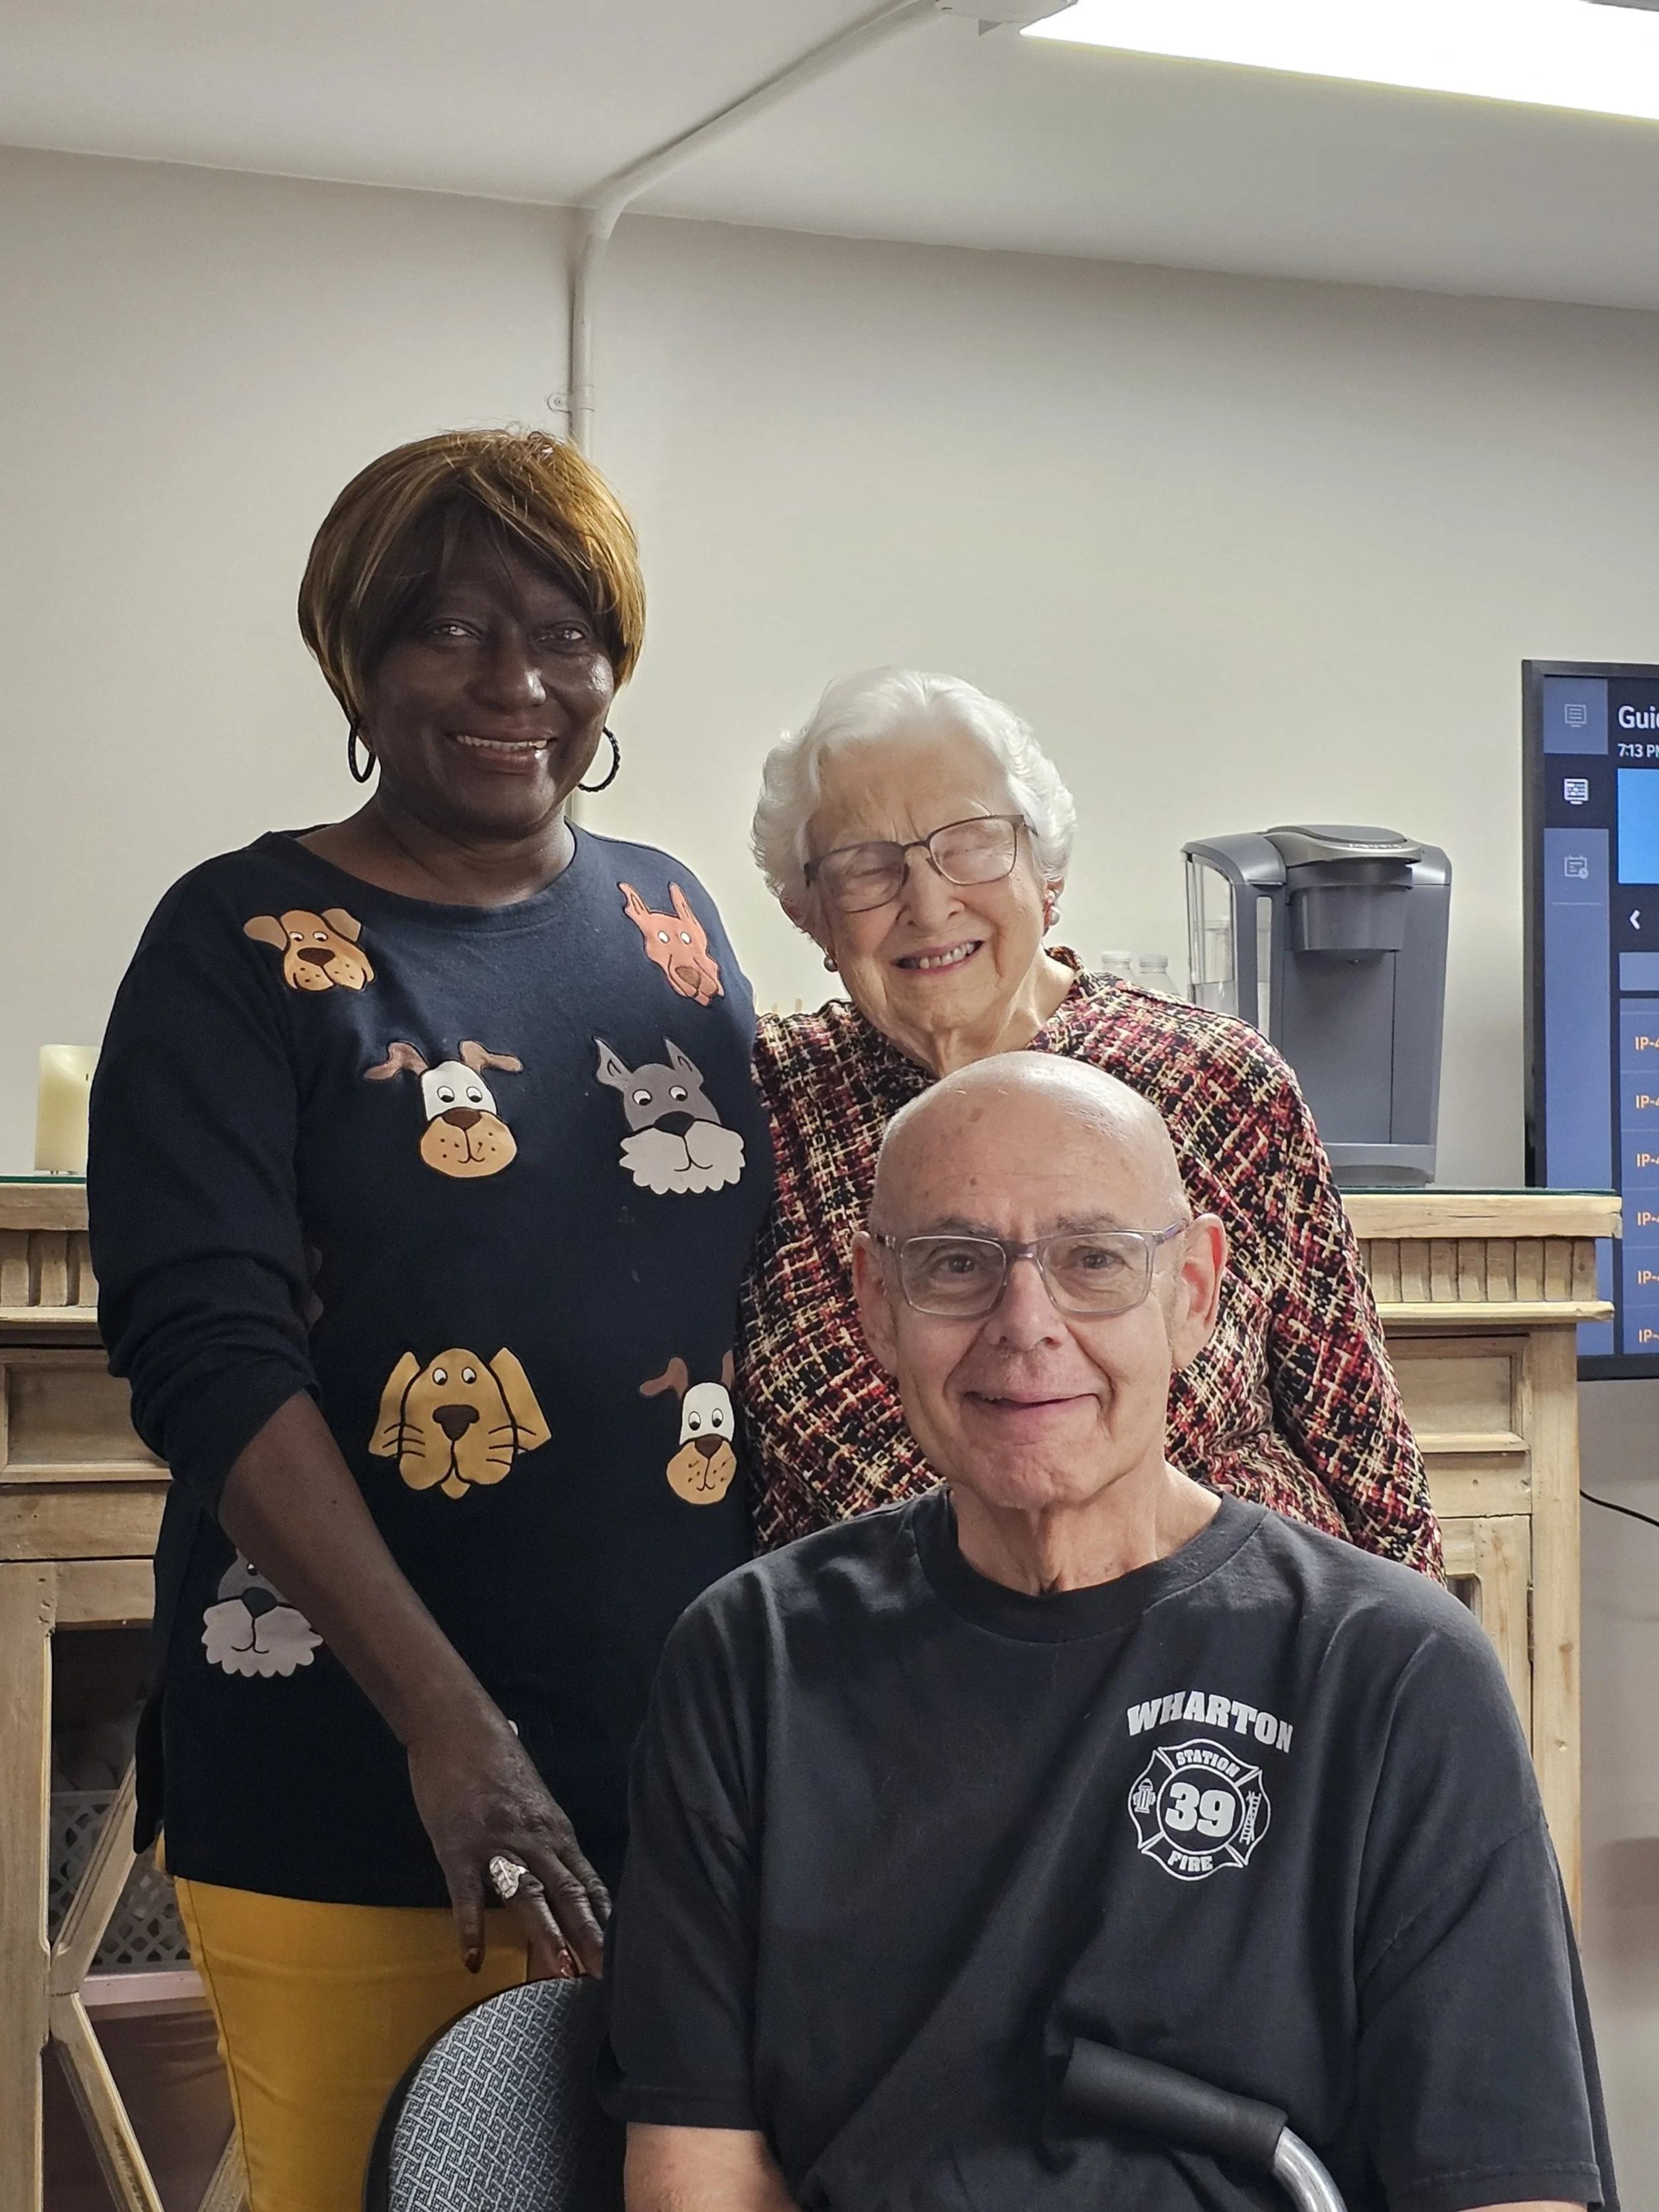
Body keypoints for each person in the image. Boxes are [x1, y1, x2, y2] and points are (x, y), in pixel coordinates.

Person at [87, 429, 771, 2212]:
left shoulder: (675, 920)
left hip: (675, 1786)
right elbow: (206, 1354)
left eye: (562, 632)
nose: (512, 683)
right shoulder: (234, 943)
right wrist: (450, 1731)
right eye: (447, 628)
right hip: (358, 1775)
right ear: (356, 654)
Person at [604, 1056, 1614, 2212]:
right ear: (876, 1304)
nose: (1025, 1325)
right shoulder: (750, 1660)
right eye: (955, 1264)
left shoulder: (1390, 1673)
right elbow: (698, 2175)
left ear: (1194, 1292)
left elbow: (1507, 2189)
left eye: (1094, 1260)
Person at [741, 667, 1441, 1574]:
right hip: (878, 1647)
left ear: (1048, 873)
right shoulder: (755, 1104)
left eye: (974, 844)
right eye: (867, 866)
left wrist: (1411, 1649)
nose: (929, 902)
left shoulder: (1216, 1083)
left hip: (1236, 1634)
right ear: (808, 913)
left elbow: (1366, 1458)